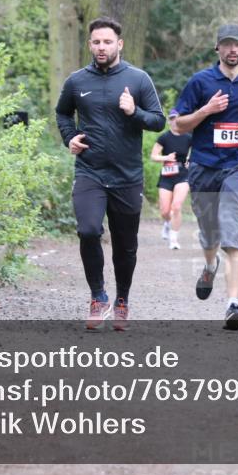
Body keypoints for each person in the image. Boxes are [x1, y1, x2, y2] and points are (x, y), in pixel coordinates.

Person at [55, 17, 165, 331]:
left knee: (125, 244)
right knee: (89, 230)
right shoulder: (77, 81)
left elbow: (157, 121)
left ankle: (122, 300)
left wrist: (134, 112)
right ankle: (97, 296)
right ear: (90, 45)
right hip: (90, 171)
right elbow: (62, 112)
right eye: (96, 42)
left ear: (119, 44)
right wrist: (69, 137)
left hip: (127, 176)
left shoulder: (138, 79)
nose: (101, 47)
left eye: (107, 41)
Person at [174, 23, 238, 330]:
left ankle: (233, 304)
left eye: (236, 45)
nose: (231, 50)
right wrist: (206, 110)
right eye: (225, 45)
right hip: (202, 167)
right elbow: (178, 126)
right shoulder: (200, 82)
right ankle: (210, 264)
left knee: (233, 235)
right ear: (217, 49)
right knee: (209, 234)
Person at [150, 112, 193, 250]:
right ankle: (167, 224)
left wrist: (190, 161)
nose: (175, 122)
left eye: (177, 119)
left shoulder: (188, 137)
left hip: (183, 174)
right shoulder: (164, 138)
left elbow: (195, 152)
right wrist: (166, 157)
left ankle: (173, 239)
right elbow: (154, 156)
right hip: (167, 174)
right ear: (169, 122)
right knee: (165, 211)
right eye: (172, 119)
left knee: (176, 206)